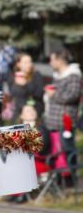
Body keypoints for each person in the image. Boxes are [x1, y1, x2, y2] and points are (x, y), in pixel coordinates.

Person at [44, 49, 82, 184]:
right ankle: (60, 178)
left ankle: (71, 179)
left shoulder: (73, 76)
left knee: (67, 150)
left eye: (52, 59)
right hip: (53, 120)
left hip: (65, 121)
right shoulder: (57, 75)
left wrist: (53, 95)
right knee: (56, 151)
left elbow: (72, 95)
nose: (50, 62)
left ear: (60, 60)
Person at [8, 52, 44, 123]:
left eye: (30, 62)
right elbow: (12, 94)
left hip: (34, 110)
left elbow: (39, 94)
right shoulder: (13, 77)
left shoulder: (37, 75)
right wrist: (16, 84)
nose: (29, 64)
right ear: (18, 64)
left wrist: (25, 84)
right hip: (19, 111)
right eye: (26, 62)